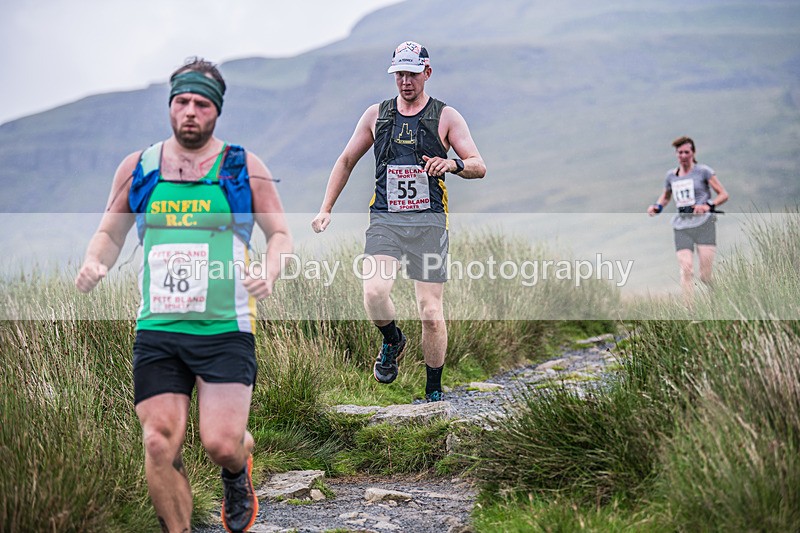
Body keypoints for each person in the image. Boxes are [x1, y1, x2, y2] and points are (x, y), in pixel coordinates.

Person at [75, 57, 292, 533]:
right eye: (182, 102)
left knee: (221, 443)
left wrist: (270, 271)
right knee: (158, 442)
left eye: (200, 104)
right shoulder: (140, 168)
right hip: (159, 328)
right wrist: (96, 262)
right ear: (171, 106)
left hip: (225, 329)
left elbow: (279, 234)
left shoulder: (241, 167)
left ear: (217, 110)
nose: (190, 111)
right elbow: (109, 233)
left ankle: (237, 467)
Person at [311, 41, 486, 402]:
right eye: (399, 74)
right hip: (386, 221)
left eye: (412, 74)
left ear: (427, 73)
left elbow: (478, 165)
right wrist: (326, 208)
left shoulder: (446, 117)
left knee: (431, 312)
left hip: (429, 224)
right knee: (374, 292)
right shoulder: (377, 115)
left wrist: (452, 164)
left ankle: (434, 392)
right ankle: (392, 340)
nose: (405, 81)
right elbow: (346, 161)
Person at [647, 136, 729, 303]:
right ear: (676, 154)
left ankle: (719, 297)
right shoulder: (671, 176)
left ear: (693, 153)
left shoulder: (703, 171)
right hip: (682, 226)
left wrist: (708, 205)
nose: (683, 156)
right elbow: (666, 196)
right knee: (686, 269)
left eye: (686, 152)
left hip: (704, 224)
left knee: (705, 276)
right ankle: (689, 310)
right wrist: (657, 206)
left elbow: (723, 194)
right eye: (680, 153)